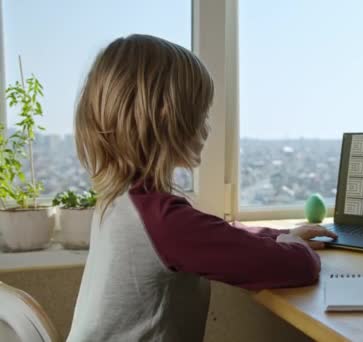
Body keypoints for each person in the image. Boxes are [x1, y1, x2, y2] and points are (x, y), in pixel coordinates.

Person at [67, 34, 336, 342]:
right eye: (202, 113)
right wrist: (293, 246)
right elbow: (298, 267)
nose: (207, 126)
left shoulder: (122, 201)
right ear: (169, 118)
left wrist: (280, 235)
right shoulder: (164, 221)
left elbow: (219, 235)